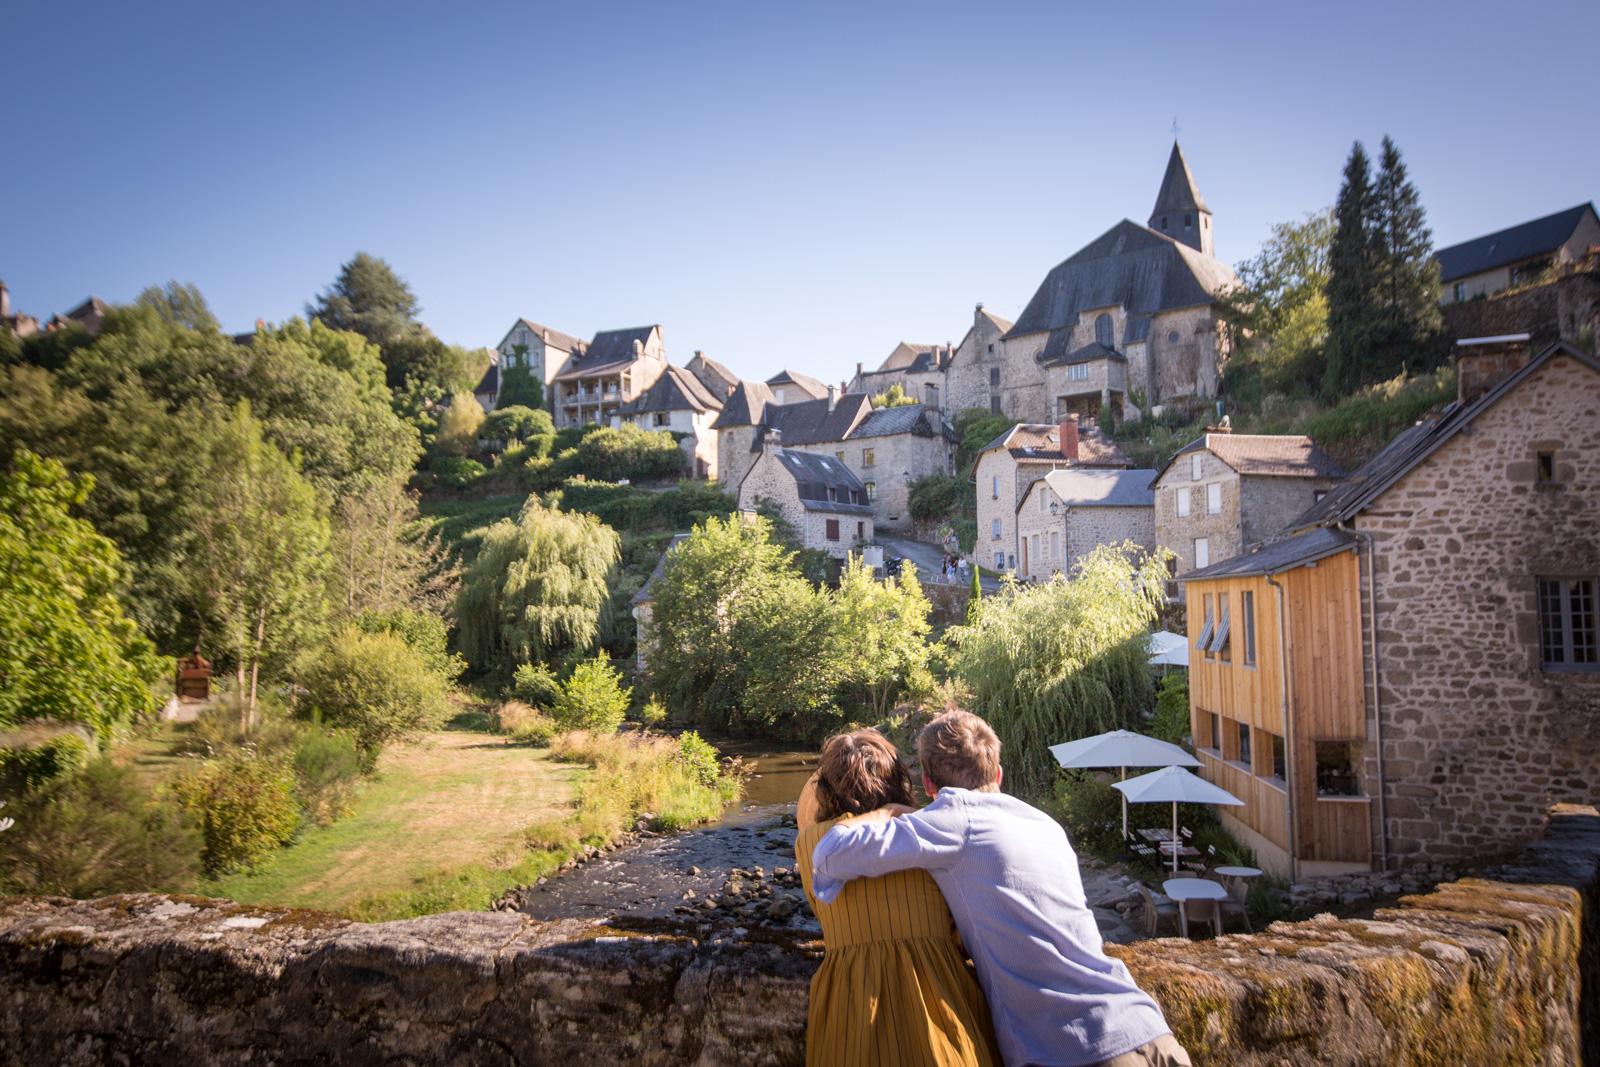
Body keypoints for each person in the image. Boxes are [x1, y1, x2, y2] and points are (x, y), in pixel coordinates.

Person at [810, 711, 1188, 1067]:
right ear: (999, 774)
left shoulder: (953, 822)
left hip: (1072, 1047)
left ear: (928, 785)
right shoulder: (1045, 824)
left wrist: (890, 809)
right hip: (1150, 1031)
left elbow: (829, 856)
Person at [795, 730, 1001, 1067]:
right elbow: (959, 931)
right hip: (942, 1006)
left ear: (827, 790)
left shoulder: (810, 845)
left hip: (850, 1010)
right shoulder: (932, 834)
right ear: (898, 781)